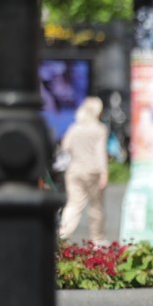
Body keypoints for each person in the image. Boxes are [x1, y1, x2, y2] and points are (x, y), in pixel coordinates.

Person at [58, 97, 109, 243]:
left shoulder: (74, 128)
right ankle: (97, 240)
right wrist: (104, 172)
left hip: (74, 170)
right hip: (93, 170)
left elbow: (65, 146)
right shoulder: (99, 129)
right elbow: (101, 152)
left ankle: (62, 234)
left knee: (74, 205)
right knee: (96, 207)